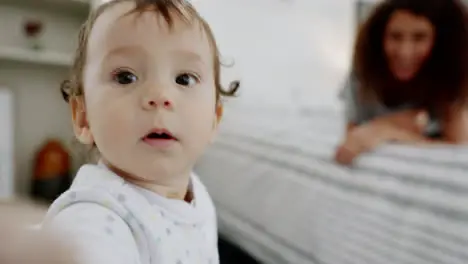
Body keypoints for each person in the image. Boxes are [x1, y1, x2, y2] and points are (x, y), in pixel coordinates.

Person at [41, 0, 239, 263]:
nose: (160, 96)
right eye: (126, 77)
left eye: (184, 79)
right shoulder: (93, 219)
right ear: (84, 117)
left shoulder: (197, 194)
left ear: (215, 119)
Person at [335, 0, 468, 165]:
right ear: (379, 38)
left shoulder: (451, 75)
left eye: (420, 38)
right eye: (395, 37)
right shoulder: (363, 75)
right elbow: (351, 143)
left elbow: (459, 151)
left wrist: (387, 130)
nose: (405, 52)